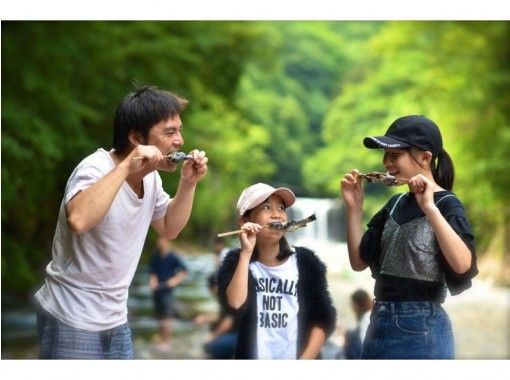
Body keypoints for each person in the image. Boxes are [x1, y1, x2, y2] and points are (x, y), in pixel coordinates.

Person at [34, 85, 208, 359]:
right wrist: (127, 166)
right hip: (70, 317)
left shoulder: (152, 178)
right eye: (169, 132)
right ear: (137, 138)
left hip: (116, 320)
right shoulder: (94, 168)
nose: (179, 141)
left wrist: (188, 184)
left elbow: (169, 228)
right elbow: (78, 219)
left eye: (179, 130)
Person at [340, 115, 478, 359]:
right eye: (385, 155)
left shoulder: (447, 203)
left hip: (422, 328)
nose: (387, 163)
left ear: (425, 157)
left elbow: (463, 264)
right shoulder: (395, 203)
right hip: (378, 322)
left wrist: (430, 209)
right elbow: (359, 262)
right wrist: (354, 208)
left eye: (395, 155)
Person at [217, 182, 337, 359]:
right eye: (266, 207)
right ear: (244, 221)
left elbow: (323, 318)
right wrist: (246, 253)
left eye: (281, 208)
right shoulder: (235, 261)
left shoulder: (306, 261)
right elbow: (235, 304)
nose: (277, 215)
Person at [149, 236, 188, 351]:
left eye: (161, 240)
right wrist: (153, 281)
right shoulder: (155, 257)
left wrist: (174, 281)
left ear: (166, 242)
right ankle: (161, 339)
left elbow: (184, 271)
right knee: (159, 316)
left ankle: (167, 341)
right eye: (158, 241)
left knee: (167, 317)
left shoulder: (173, 257)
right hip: (157, 291)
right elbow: (152, 272)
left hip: (168, 292)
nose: (159, 243)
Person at [194, 272, 239, 359]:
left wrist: (212, 336)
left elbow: (228, 321)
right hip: (239, 333)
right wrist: (206, 318)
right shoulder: (226, 294)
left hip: (242, 335)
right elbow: (224, 317)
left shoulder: (228, 297)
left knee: (212, 346)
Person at [343, 289, 372, 359]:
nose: (352, 307)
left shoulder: (367, 317)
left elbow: (363, 342)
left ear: (356, 304)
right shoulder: (369, 314)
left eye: (352, 303)